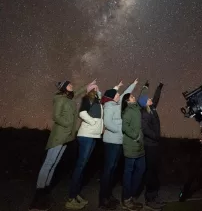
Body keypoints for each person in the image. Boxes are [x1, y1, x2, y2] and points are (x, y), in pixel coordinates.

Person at [29, 79, 96, 211]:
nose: (72, 85)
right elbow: (56, 116)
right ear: (64, 88)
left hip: (66, 137)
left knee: (54, 164)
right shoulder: (60, 98)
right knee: (48, 163)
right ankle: (38, 196)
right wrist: (68, 124)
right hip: (59, 136)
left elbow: (76, 93)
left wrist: (87, 86)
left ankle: (45, 193)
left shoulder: (69, 97)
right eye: (69, 84)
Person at [99, 78, 138, 210]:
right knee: (108, 170)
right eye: (115, 94)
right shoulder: (109, 106)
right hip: (111, 142)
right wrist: (121, 130)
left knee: (113, 169)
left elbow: (123, 95)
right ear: (111, 97)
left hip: (118, 141)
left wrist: (132, 84)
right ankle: (102, 200)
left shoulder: (116, 105)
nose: (118, 96)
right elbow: (108, 123)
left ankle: (108, 195)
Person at [66, 81, 104, 209]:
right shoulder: (88, 98)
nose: (98, 89)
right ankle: (71, 198)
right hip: (86, 135)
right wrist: (93, 122)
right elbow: (82, 113)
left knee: (83, 166)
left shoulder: (98, 101)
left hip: (93, 136)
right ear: (91, 90)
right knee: (80, 166)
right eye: (95, 88)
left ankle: (76, 194)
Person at [121, 82, 149, 211]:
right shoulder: (127, 111)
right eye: (131, 97)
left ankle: (131, 195)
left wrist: (145, 88)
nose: (134, 97)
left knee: (141, 170)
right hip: (131, 146)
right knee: (128, 172)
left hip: (140, 148)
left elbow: (142, 99)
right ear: (127, 101)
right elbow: (125, 127)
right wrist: (136, 136)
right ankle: (126, 199)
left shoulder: (136, 107)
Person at [137, 82, 165, 210]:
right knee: (150, 172)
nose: (150, 99)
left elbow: (156, 98)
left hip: (155, 144)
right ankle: (150, 199)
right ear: (144, 103)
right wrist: (155, 136)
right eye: (147, 99)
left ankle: (154, 195)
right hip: (150, 145)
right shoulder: (144, 113)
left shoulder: (152, 108)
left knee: (154, 171)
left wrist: (159, 88)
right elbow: (145, 129)